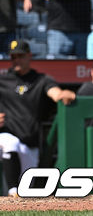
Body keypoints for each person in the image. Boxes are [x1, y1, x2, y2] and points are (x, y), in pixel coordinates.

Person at [0, 40, 76, 197]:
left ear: (29, 56)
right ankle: (12, 191)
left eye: (20, 56)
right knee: (10, 144)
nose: (17, 60)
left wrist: (63, 94)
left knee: (27, 192)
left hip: (30, 144)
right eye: (13, 57)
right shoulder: (3, 79)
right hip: (6, 135)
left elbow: (55, 93)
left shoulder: (41, 79)